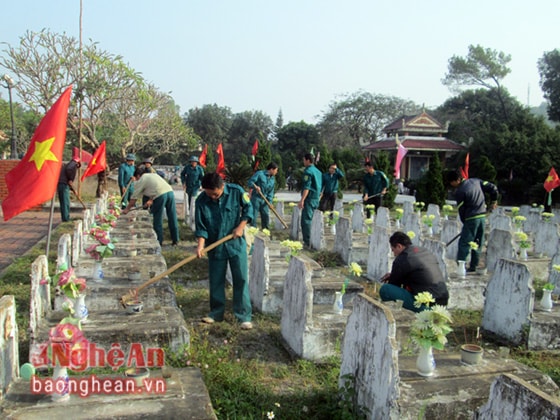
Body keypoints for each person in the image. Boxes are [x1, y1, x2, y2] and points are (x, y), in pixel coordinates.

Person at [194, 172, 253, 330]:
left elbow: (249, 209)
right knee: (216, 279)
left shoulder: (237, 191)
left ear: (222, 187)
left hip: (235, 243)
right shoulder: (201, 200)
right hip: (215, 245)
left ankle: (243, 316)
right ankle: (216, 313)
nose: (212, 197)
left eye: (215, 194)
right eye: (209, 194)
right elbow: (201, 227)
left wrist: (241, 227)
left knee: (240, 278)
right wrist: (201, 245)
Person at [379, 231, 449, 313]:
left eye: (393, 250)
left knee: (386, 289)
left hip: (427, 304)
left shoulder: (402, 259)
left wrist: (394, 275)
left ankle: (423, 311)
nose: (394, 254)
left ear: (399, 246)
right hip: (443, 299)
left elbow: (394, 285)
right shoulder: (425, 251)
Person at [446, 169, 499, 272]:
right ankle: (473, 266)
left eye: (451, 182)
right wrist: (494, 201)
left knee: (464, 243)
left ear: (457, 180)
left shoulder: (460, 192)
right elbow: (493, 188)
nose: (451, 185)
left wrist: (465, 224)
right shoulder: (476, 181)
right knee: (477, 242)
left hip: (471, 218)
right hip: (482, 217)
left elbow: (462, 211)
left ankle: (461, 266)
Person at [122, 165, 180, 246]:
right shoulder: (153, 175)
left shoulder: (142, 179)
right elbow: (155, 187)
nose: (136, 180)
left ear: (138, 175)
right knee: (172, 216)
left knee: (158, 218)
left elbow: (134, 198)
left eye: (136, 178)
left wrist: (127, 209)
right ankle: (175, 240)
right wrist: (150, 200)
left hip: (160, 195)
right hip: (169, 192)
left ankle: (159, 241)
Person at [298, 153, 322, 247]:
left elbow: (307, 187)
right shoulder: (318, 172)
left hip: (309, 199)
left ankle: (307, 242)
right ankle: (314, 239)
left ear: (308, 160)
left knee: (306, 221)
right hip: (316, 198)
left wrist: (302, 200)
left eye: (304, 160)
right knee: (314, 220)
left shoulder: (308, 172)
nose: (303, 162)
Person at [247, 162, 278, 229]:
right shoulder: (260, 174)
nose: (276, 172)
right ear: (272, 169)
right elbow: (250, 182)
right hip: (256, 198)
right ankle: (253, 231)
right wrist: (255, 187)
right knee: (253, 216)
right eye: (276, 170)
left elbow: (271, 192)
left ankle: (265, 232)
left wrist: (270, 202)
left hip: (265, 200)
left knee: (265, 216)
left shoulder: (272, 179)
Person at [57, 156, 81, 222]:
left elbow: (68, 182)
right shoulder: (73, 164)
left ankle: (65, 217)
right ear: (77, 162)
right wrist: (70, 178)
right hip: (63, 185)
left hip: (62, 184)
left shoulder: (68, 164)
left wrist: (73, 190)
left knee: (64, 202)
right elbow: (69, 169)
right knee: (65, 202)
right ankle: (66, 219)